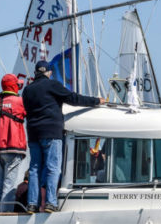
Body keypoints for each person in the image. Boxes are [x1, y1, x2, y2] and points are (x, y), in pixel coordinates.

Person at [22, 60, 105, 213]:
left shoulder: (27, 90)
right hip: (52, 132)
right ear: (49, 73)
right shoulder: (53, 85)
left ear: (35, 73)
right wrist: (96, 101)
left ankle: (32, 204)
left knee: (34, 168)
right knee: (53, 168)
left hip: (33, 133)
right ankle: (50, 203)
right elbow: (74, 99)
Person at [0, 73, 27, 213]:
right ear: (13, 86)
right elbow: (27, 111)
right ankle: (4, 217)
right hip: (13, 147)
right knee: (9, 185)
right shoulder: (19, 102)